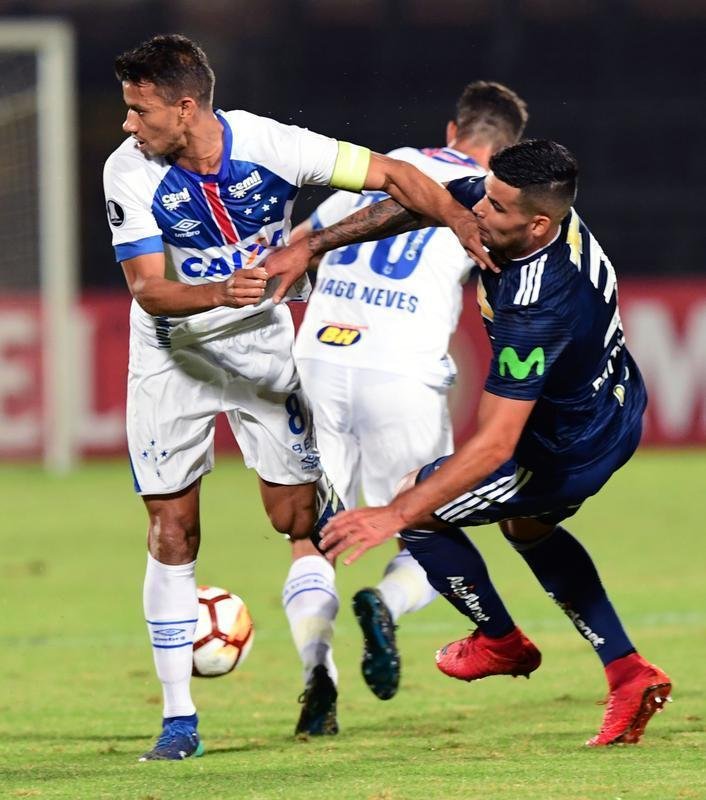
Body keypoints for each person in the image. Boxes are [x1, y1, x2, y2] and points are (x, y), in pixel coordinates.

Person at [102, 33, 489, 761]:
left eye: (139, 110)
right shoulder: (128, 170)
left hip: (266, 352)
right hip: (172, 359)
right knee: (174, 529)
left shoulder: (273, 144)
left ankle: (320, 672)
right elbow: (149, 289)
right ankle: (178, 718)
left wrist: (462, 223)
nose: (129, 124)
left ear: (186, 108)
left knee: (299, 519)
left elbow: (393, 176)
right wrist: (222, 290)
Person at [270, 139, 672, 747]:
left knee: (420, 503)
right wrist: (310, 244)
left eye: (496, 208)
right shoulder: (528, 213)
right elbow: (425, 204)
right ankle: (627, 671)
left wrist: (395, 514)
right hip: (616, 408)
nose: (479, 210)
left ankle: (501, 643)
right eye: (484, 194)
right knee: (527, 528)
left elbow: (494, 444)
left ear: (537, 223)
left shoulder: (537, 305)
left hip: (560, 450)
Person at [291, 82, 528, 701]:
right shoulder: (493, 200)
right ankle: (386, 608)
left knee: (313, 533)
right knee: (424, 523)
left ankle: (318, 673)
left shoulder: (391, 164)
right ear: (508, 151)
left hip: (317, 354)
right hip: (401, 368)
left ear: (454, 130)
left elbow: (301, 245)